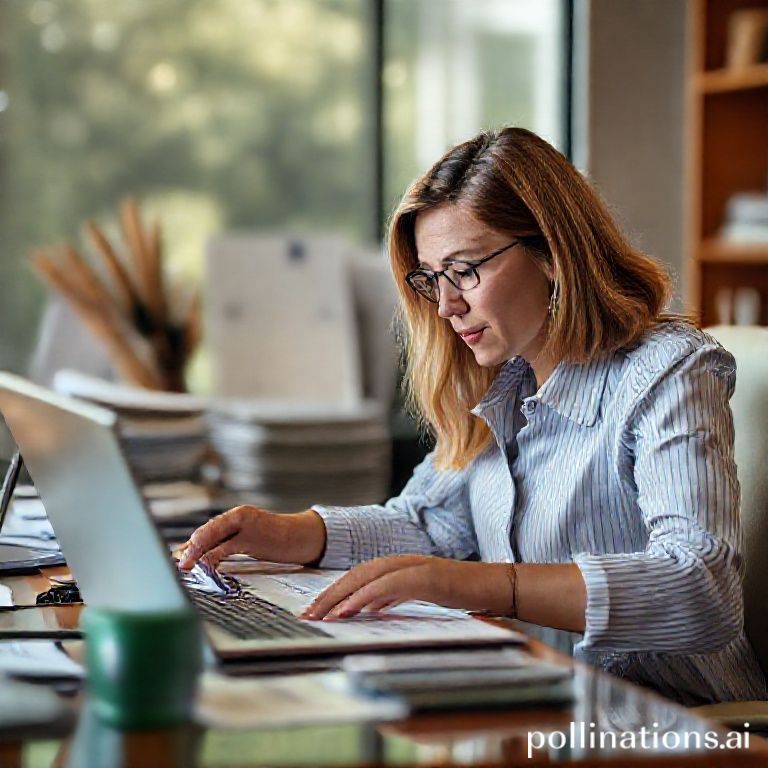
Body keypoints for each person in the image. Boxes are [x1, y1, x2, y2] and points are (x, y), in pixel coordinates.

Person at [181, 127, 767, 706]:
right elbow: (429, 526)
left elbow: (701, 590)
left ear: (553, 254)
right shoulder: (499, 382)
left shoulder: (667, 371)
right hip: (539, 703)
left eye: (465, 271)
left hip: (676, 724)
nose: (445, 305)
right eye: (432, 278)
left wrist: (475, 583)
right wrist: (288, 532)